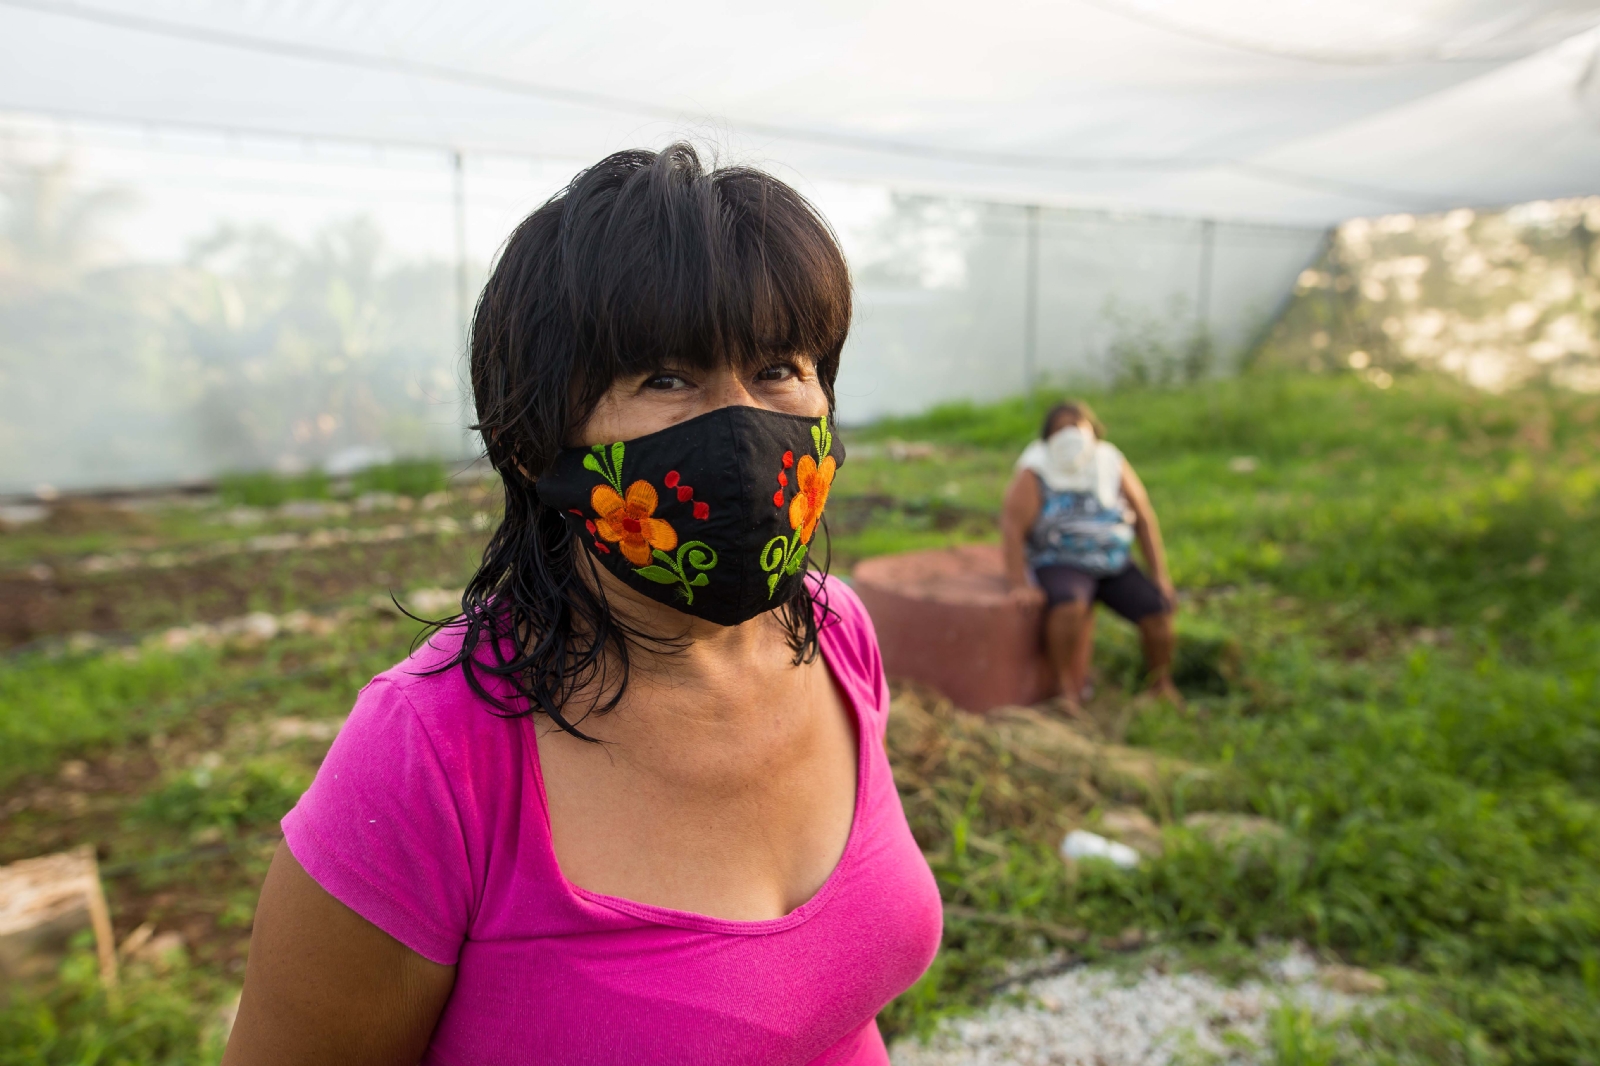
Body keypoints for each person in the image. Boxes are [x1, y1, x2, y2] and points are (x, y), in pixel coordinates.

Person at [223, 145, 942, 1066]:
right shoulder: (432, 755)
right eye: (666, 379)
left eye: (776, 370)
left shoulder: (838, 637)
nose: (740, 430)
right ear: (534, 439)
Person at [1000, 401, 1179, 718]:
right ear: (1047, 437)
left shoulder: (1110, 461)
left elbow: (1143, 516)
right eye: (1059, 428)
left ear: (1092, 429)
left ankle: (1161, 685)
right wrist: (1018, 583)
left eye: (1076, 425)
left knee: (1157, 610)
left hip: (1113, 560)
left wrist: (1160, 575)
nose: (1069, 434)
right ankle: (1064, 691)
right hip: (1061, 559)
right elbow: (1013, 527)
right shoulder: (1036, 468)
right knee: (1068, 606)